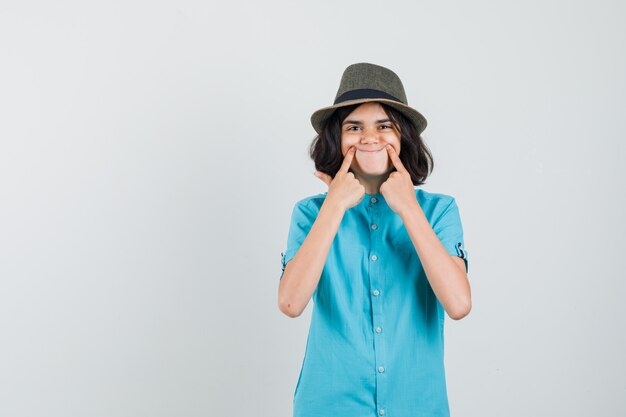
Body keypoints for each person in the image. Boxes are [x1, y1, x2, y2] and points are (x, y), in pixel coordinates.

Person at [277, 62, 471, 417]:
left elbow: (458, 304)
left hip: (418, 406)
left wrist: (410, 209)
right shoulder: (309, 214)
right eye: (354, 127)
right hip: (329, 406)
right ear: (338, 137)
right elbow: (290, 303)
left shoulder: (439, 212)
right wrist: (334, 205)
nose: (370, 137)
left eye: (384, 126)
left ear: (403, 137)